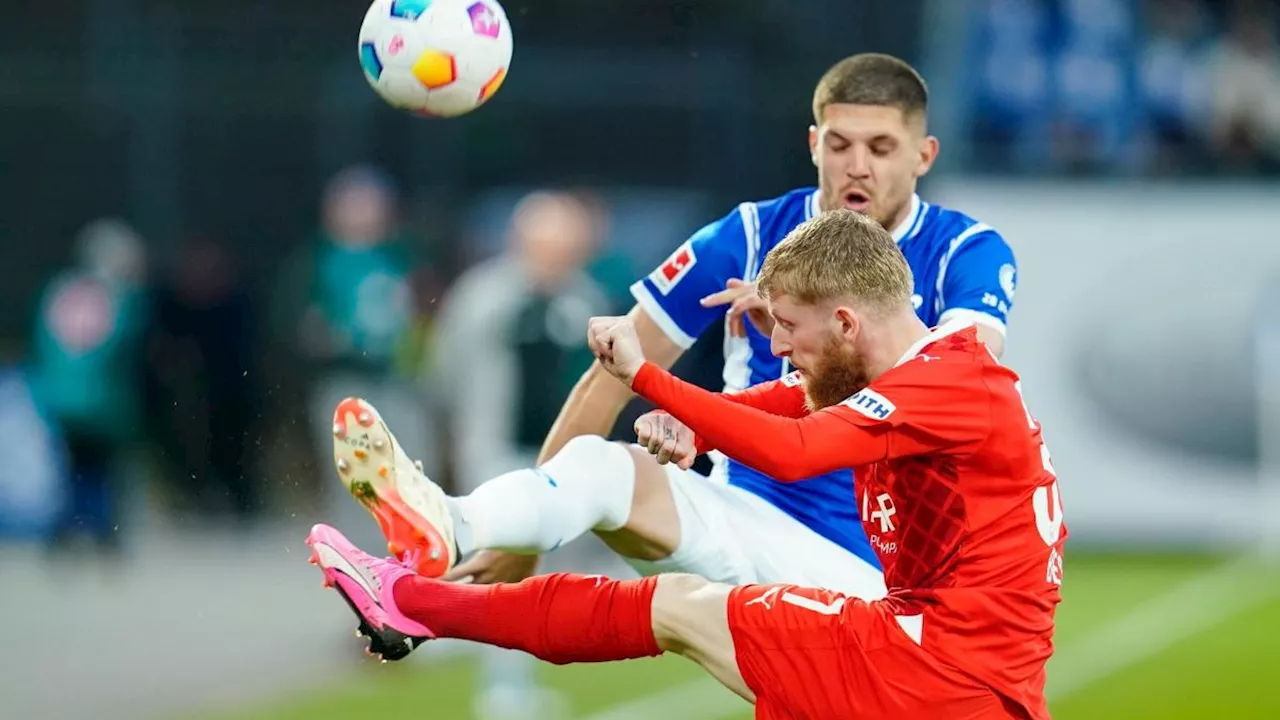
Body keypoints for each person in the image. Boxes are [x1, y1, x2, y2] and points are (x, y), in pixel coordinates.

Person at [308, 210, 1064, 719]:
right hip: (945, 666)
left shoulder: (945, 385)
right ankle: (427, 572)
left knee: (677, 608)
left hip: (943, 674)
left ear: (845, 320)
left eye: (792, 329)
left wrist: (644, 377)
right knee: (677, 598)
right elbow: (790, 400)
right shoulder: (921, 370)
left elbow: (795, 451)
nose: (778, 347)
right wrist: (700, 423)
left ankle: (412, 599)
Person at [333, 53, 1019, 603]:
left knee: (668, 619)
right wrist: (525, 537)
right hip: (742, 518)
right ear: (814, 143)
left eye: (881, 146)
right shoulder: (748, 237)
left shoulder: (967, 252)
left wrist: (814, 321)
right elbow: (611, 373)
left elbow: (959, 385)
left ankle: (420, 607)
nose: (858, 166)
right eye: (840, 144)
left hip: (879, 569)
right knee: (605, 472)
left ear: (923, 155)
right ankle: (452, 525)